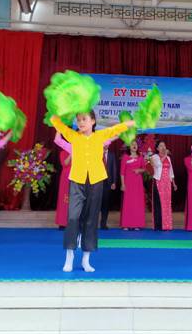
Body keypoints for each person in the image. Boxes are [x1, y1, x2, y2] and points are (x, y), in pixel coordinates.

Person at [51, 112, 133, 272]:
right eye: (78, 120)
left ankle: (86, 260)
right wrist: (56, 113)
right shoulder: (73, 136)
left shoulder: (100, 136)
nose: (81, 122)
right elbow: (59, 125)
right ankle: (69, 257)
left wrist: (130, 123)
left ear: (93, 121)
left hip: (96, 181)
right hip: (77, 181)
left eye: (84, 119)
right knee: (72, 218)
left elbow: (115, 129)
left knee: (91, 220)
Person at [150, 140, 177, 231]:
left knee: (167, 203)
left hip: (167, 183)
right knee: (158, 203)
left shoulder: (168, 158)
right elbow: (158, 165)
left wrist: (173, 183)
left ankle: (166, 225)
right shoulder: (154, 157)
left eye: (164, 145)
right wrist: (165, 155)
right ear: (157, 148)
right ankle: (158, 225)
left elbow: (171, 171)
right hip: (158, 182)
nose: (163, 147)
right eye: (161, 146)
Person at [120, 139, 146, 230]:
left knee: (137, 203)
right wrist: (123, 184)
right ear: (129, 147)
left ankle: (137, 224)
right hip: (128, 183)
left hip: (138, 184)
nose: (134, 146)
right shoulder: (125, 157)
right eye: (132, 144)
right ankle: (126, 224)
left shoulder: (140, 157)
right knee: (128, 203)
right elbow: (122, 172)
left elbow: (144, 168)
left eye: (135, 144)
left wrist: (139, 170)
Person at [54, 132, 72, 229]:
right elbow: (65, 163)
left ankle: (73, 222)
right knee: (64, 199)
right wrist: (71, 154)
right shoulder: (63, 152)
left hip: (76, 176)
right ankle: (62, 222)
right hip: (66, 178)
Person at [100, 145, 118, 230]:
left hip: (108, 183)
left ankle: (103, 223)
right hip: (97, 182)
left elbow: (114, 168)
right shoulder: (97, 153)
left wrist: (114, 182)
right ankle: (92, 223)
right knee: (95, 204)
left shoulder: (112, 155)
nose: (105, 145)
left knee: (105, 204)